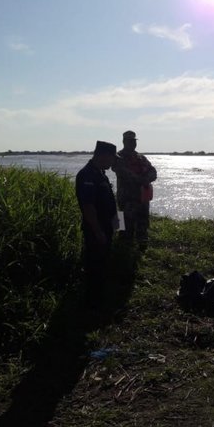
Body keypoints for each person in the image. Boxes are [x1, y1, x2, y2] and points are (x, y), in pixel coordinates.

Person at [75, 141, 118, 306]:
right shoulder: (87, 175)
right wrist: (98, 232)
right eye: (112, 158)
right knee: (95, 265)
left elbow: (110, 203)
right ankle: (92, 304)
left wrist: (117, 226)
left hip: (106, 228)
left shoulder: (101, 173)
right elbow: (88, 207)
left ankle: (100, 299)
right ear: (103, 155)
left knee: (103, 263)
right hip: (96, 230)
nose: (113, 162)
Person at [112, 130, 157, 243]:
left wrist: (147, 179)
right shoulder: (118, 157)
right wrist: (141, 180)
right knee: (123, 224)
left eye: (134, 141)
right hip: (125, 198)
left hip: (142, 197)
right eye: (129, 141)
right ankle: (121, 246)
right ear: (123, 141)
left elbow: (153, 171)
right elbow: (122, 172)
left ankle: (142, 244)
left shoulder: (141, 157)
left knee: (143, 222)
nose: (132, 143)